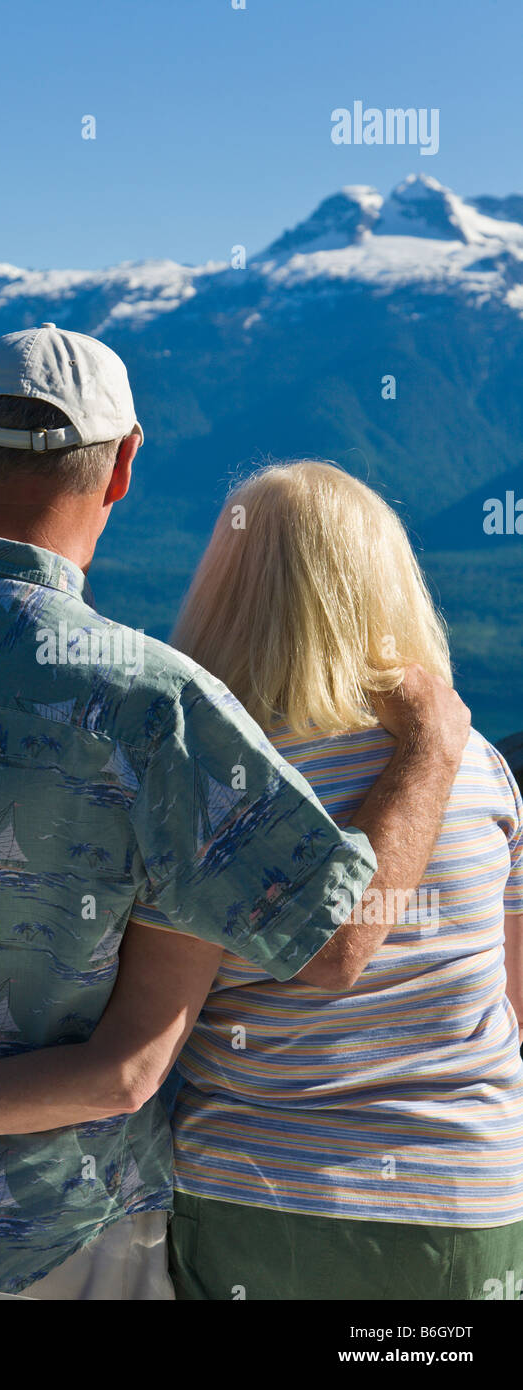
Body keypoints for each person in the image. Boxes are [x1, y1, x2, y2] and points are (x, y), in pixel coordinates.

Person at [0, 331, 468, 1299]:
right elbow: (333, 946)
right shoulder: (158, 711)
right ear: (123, 467)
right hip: (64, 1245)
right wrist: (432, 749)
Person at [140, 461, 523, 1300]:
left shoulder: (207, 784)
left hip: (261, 1198)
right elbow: (513, 1003)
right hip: (466, 1200)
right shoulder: (483, 773)